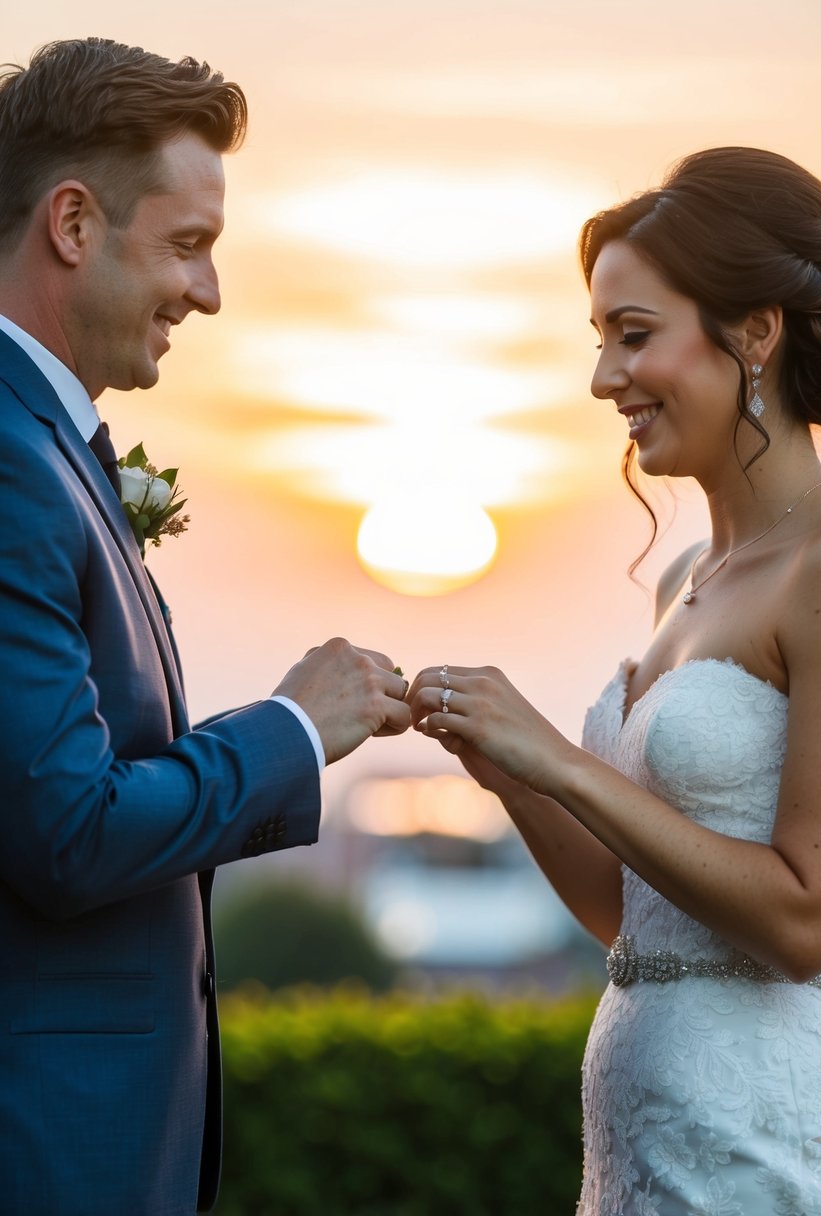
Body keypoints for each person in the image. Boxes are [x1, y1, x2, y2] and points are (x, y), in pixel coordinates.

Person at [0, 37, 410, 1216]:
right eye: (188, 245)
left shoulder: (50, 454)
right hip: (46, 1149)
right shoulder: (14, 468)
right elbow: (68, 832)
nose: (209, 292)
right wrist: (289, 729)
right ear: (73, 224)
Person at [409, 147, 821, 1214]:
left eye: (633, 335)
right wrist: (516, 776)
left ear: (754, 331)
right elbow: (631, 916)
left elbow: (801, 919)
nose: (604, 380)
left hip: (766, 1143)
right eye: (599, 341)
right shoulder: (685, 580)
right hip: (639, 1145)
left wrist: (560, 757)